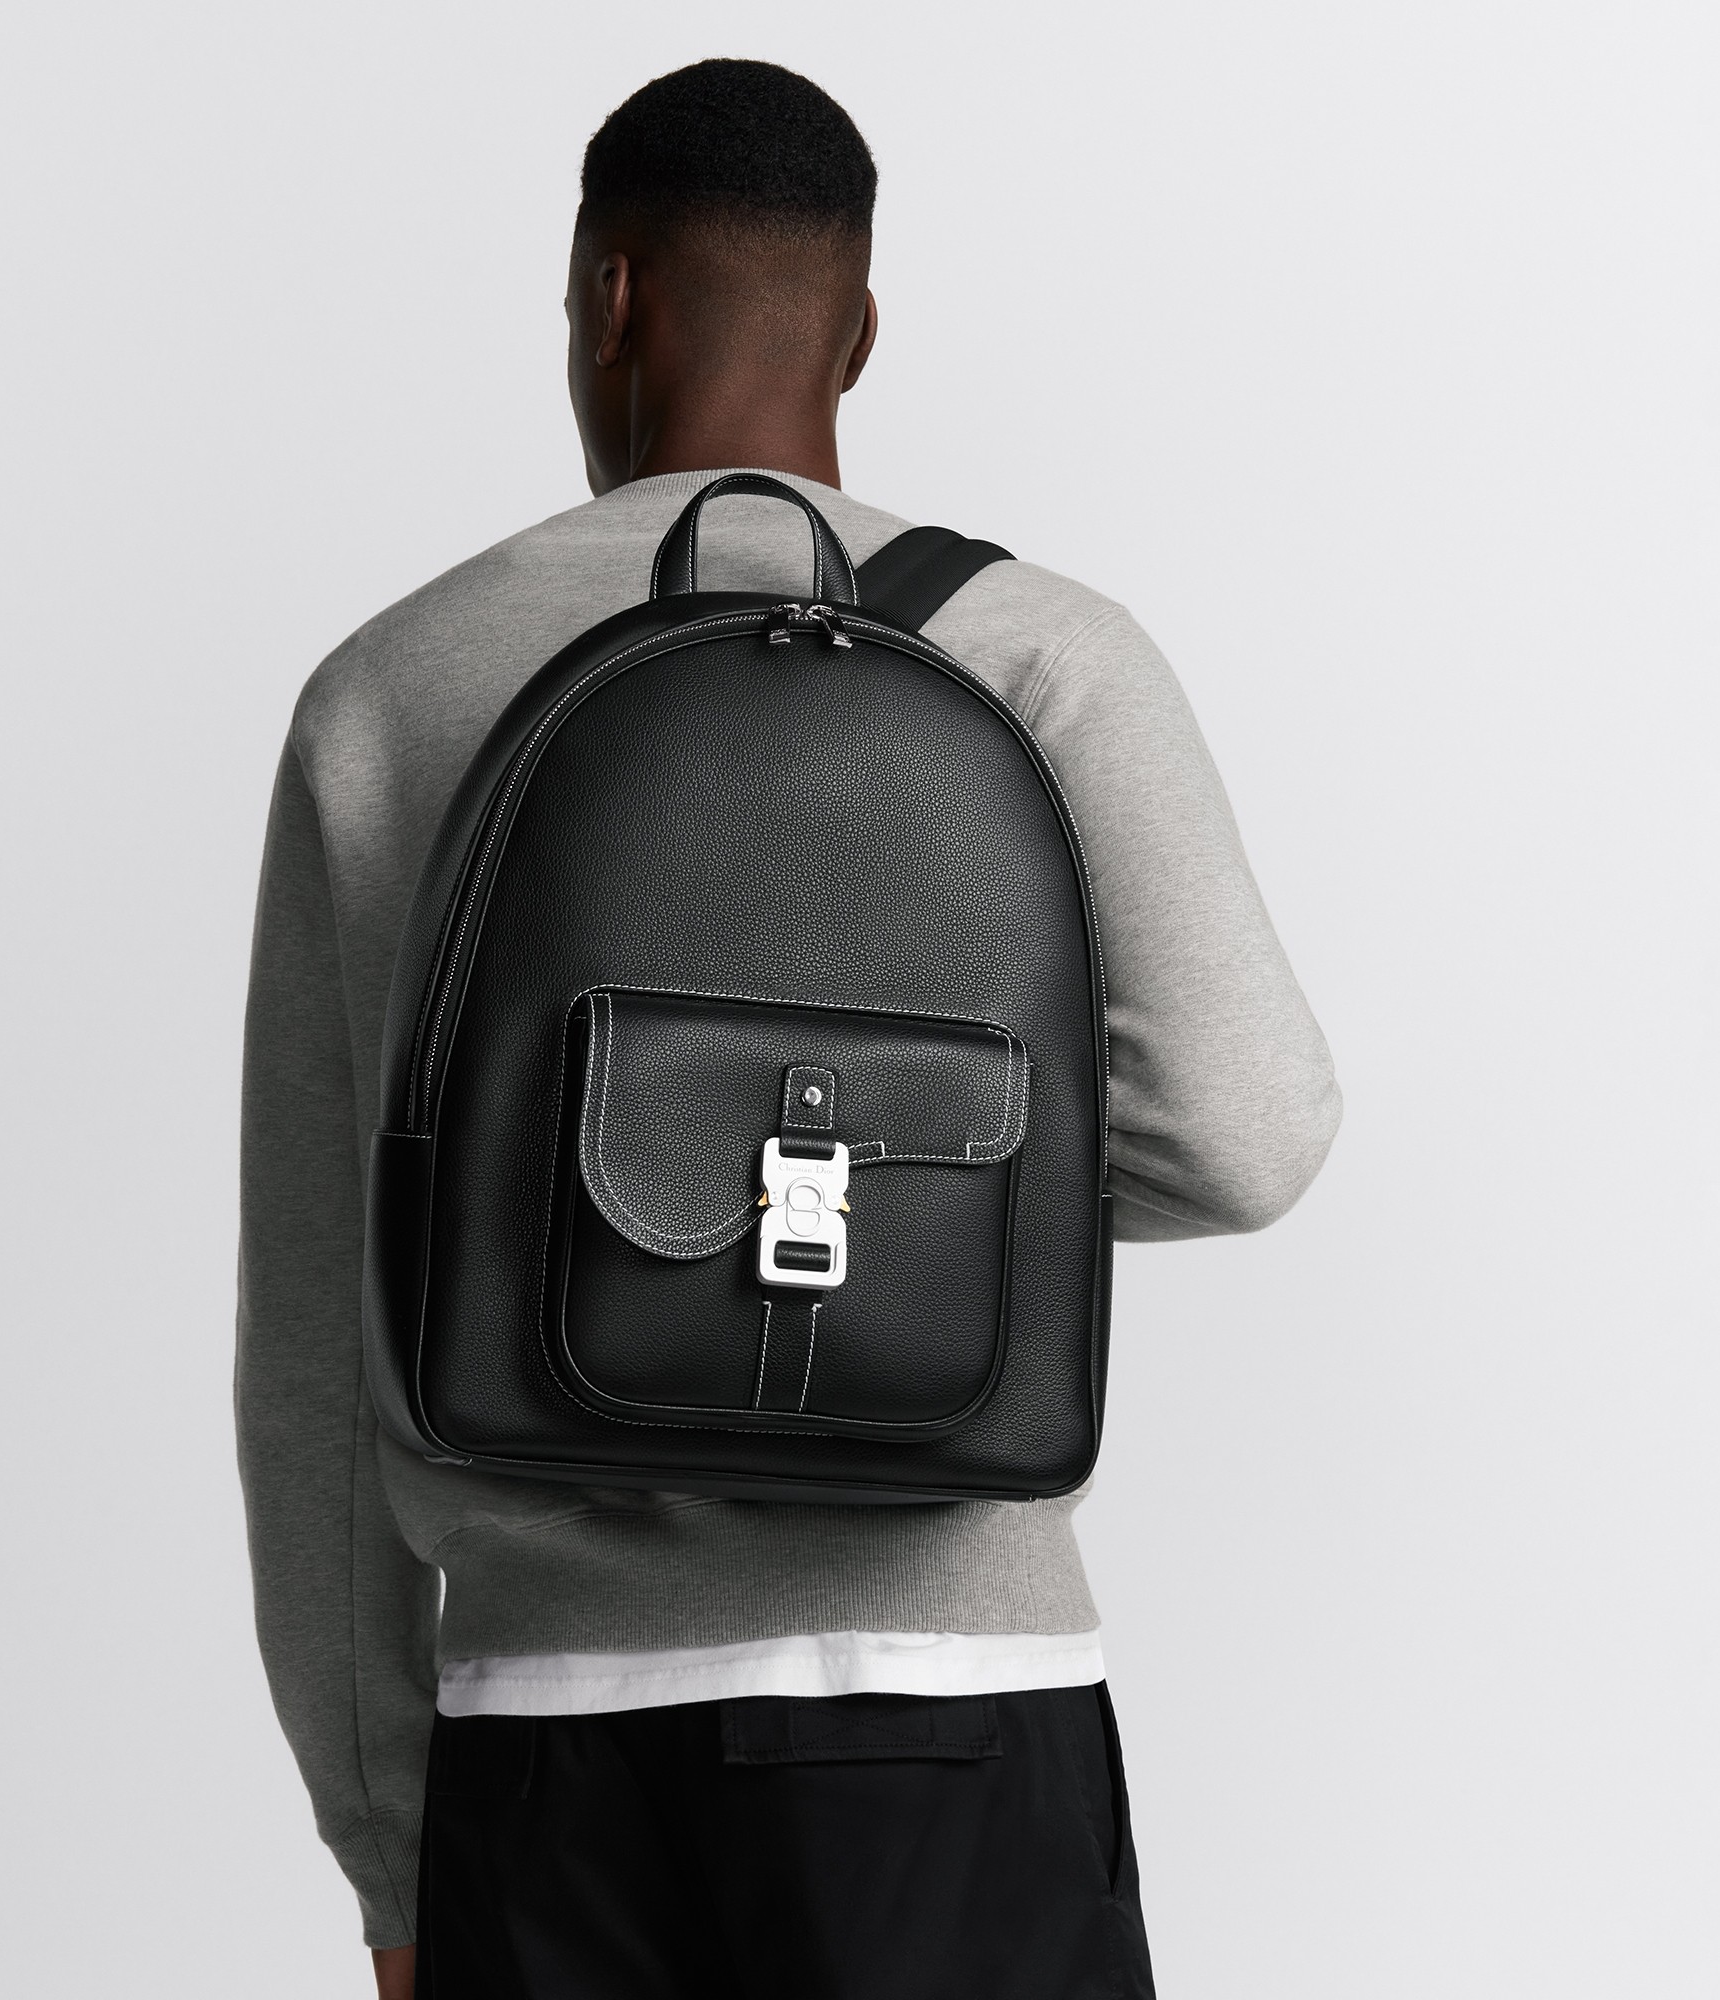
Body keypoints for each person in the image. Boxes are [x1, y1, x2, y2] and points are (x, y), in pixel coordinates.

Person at [237, 57, 1340, 2000]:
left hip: (550, 1756)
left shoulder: (387, 694)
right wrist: (899, 1200)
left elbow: (322, 1344)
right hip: (958, 1723)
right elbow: (1244, 1133)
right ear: (862, 328)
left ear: (608, 298)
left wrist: (387, 1842)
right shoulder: (1043, 656)